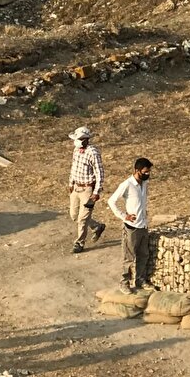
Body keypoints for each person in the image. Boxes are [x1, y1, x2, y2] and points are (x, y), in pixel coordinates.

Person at [107, 157, 152, 294]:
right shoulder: (127, 185)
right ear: (136, 170)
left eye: (149, 172)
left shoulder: (144, 183)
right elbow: (111, 201)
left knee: (143, 254)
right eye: (145, 172)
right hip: (131, 227)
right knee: (129, 257)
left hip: (143, 225)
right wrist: (124, 216)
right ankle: (124, 282)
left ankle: (140, 280)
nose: (147, 174)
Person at [67, 126, 107, 254]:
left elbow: (99, 173)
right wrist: (71, 182)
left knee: (82, 219)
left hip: (87, 189)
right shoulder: (76, 150)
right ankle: (97, 226)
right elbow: (74, 167)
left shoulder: (93, 152)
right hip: (76, 187)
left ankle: (79, 243)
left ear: (85, 139)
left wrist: (96, 192)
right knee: (74, 215)